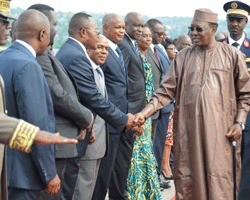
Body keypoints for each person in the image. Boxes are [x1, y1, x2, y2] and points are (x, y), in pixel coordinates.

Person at [133, 8, 250, 199]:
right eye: (191, 29)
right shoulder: (183, 56)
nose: (193, 33)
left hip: (221, 134)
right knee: (188, 180)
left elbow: (245, 94)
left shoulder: (232, 55)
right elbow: (164, 92)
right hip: (189, 133)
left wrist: (239, 122)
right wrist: (144, 113)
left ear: (213, 30)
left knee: (220, 181)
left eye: (199, 29)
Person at [56, 12, 139, 200]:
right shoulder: (77, 56)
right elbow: (92, 97)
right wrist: (125, 119)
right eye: (95, 31)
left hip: (85, 130)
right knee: (78, 188)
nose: (97, 36)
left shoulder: (71, 52)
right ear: (84, 32)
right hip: (76, 133)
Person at [26, 4, 94, 200]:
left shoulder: (46, 55)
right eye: (54, 24)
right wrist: (86, 117)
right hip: (53, 144)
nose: (57, 29)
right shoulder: (40, 57)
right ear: (43, 29)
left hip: (64, 141)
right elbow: (57, 95)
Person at [0, 9, 60, 199]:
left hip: (5, 170)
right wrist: (49, 173)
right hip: (22, 175)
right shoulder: (29, 65)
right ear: (42, 34)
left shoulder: (3, 57)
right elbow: (36, 123)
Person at [91, 14, 128, 200]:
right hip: (108, 120)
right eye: (117, 27)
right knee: (102, 173)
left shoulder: (117, 50)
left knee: (115, 168)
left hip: (120, 119)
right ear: (105, 28)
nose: (122, 31)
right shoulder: (102, 52)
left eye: (123, 27)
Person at [109, 12, 145, 199]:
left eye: (142, 25)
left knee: (124, 159)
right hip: (127, 113)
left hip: (134, 112)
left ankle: (119, 192)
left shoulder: (131, 44)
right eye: (135, 25)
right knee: (121, 160)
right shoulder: (123, 45)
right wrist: (128, 116)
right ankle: (117, 194)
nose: (139, 29)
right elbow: (121, 83)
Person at [218, 1, 250, 199]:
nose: (234, 24)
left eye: (238, 20)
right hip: (221, 111)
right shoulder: (217, 48)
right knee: (221, 156)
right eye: (231, 19)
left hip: (248, 112)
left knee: (247, 158)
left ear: (245, 22)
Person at [126, 25, 161, 200]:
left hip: (147, 113)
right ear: (137, 38)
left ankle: (148, 192)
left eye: (150, 36)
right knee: (137, 155)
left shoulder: (147, 57)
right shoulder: (134, 57)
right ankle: (136, 193)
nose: (148, 39)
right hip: (139, 114)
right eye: (144, 36)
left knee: (145, 151)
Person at [72, 35, 109, 200]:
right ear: (88, 49)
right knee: (83, 188)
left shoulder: (99, 70)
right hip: (89, 138)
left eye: (107, 49)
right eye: (100, 47)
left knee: (90, 186)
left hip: (100, 141)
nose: (104, 52)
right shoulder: (85, 70)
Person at [145, 19, 164, 143]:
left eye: (164, 33)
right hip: (146, 107)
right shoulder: (143, 51)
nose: (162, 37)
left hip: (156, 107)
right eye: (159, 34)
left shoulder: (156, 50)